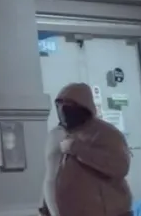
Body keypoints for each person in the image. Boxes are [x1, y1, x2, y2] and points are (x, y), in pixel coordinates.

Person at [40, 82, 132, 216]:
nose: (63, 109)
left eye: (69, 105)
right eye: (60, 105)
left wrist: (77, 149)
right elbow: (51, 174)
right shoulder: (56, 135)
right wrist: (45, 208)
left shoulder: (105, 133)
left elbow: (119, 166)